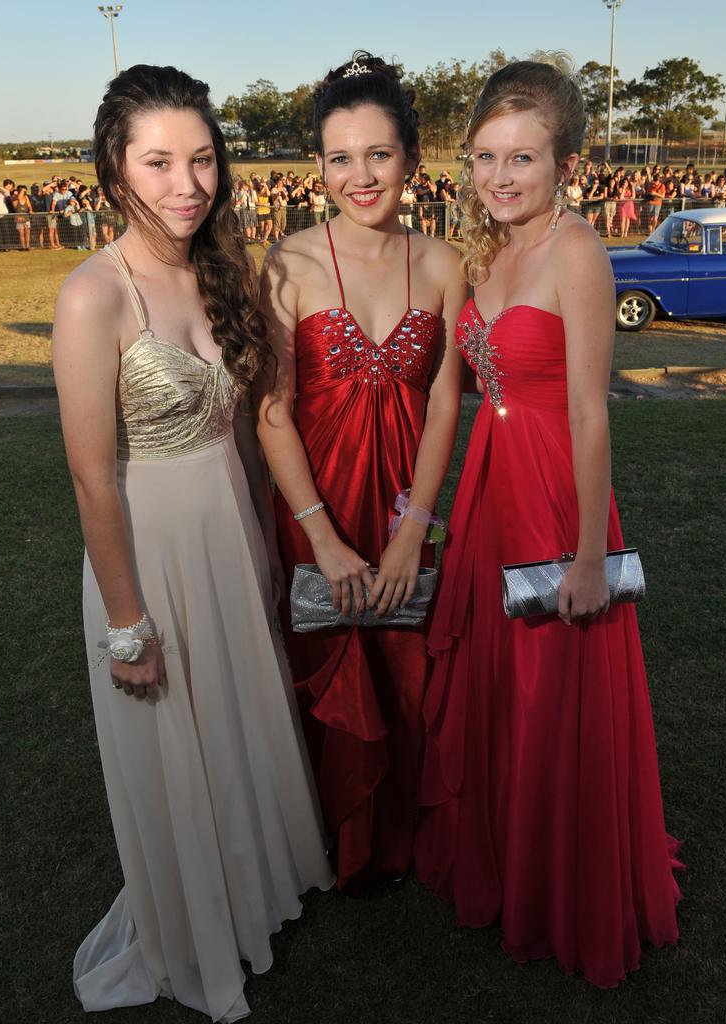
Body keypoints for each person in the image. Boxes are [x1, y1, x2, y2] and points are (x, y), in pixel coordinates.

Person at [52, 64, 333, 1022]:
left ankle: (249, 897)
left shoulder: (224, 272)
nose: (188, 184)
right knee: (176, 755)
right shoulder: (94, 295)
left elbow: (252, 427)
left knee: (237, 733)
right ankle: (193, 934)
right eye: (161, 161)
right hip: (147, 561)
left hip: (226, 538)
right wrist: (128, 626)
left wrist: (265, 545)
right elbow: (93, 477)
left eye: (203, 159)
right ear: (114, 169)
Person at [415, 56, 682, 988]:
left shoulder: (577, 251)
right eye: (485, 156)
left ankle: (560, 878)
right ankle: (501, 845)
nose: (499, 177)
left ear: (564, 161)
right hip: (489, 486)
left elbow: (589, 412)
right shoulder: (490, 247)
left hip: (553, 494)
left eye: (521, 159)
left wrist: (586, 557)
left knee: (550, 689)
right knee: (497, 683)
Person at [257, 51, 465, 890]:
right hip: (317, 507)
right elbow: (272, 410)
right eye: (340, 157)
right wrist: (320, 539)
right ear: (318, 167)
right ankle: (330, 839)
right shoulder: (290, 265)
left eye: (378, 154)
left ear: (411, 159)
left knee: (407, 671)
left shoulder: (447, 264)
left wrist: (416, 527)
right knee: (325, 672)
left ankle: (402, 836)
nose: (361, 175)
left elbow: (447, 405)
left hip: (401, 509)